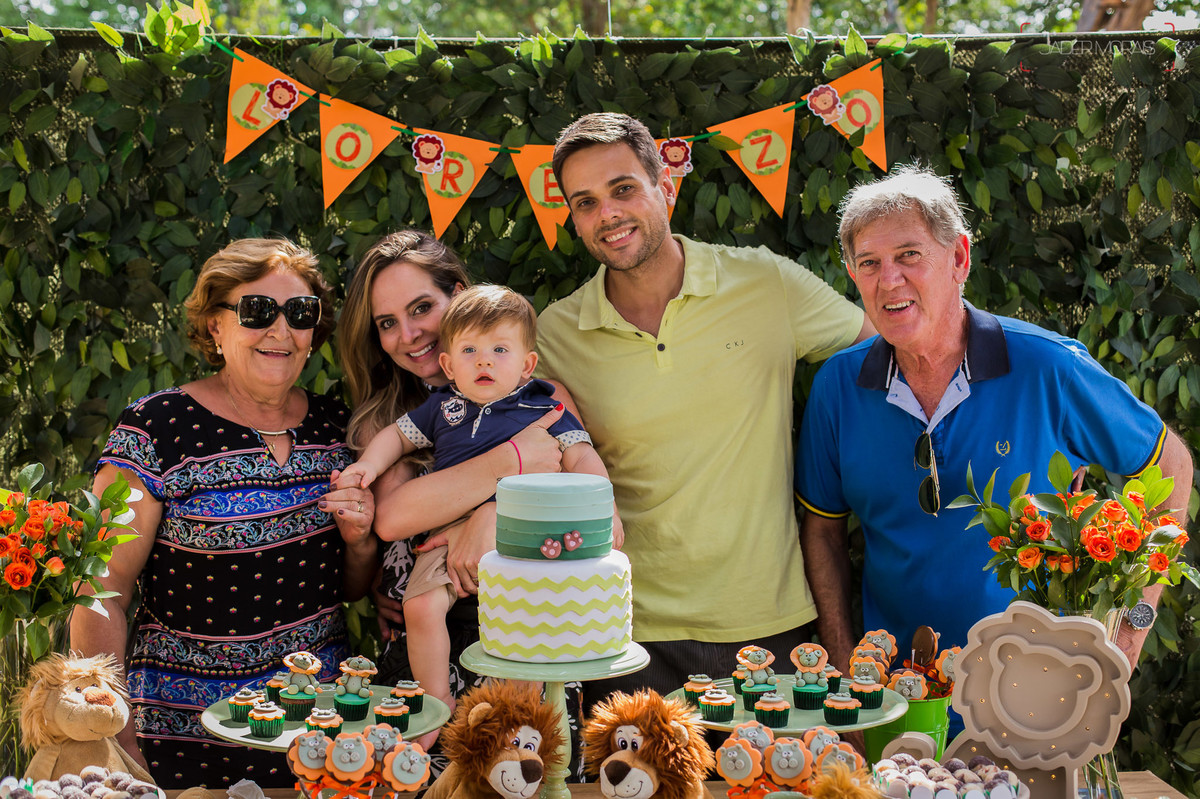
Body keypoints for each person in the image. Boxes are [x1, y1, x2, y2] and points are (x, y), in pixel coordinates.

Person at [796, 165, 1193, 682]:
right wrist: (847, 670)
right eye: (868, 262)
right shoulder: (837, 388)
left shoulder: (1051, 368)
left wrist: (1133, 626)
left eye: (909, 255)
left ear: (959, 258)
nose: (888, 279)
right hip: (896, 700)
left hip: (1039, 699)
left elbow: (1173, 467)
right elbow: (822, 534)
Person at [534, 112, 875, 700]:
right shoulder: (555, 334)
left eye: (623, 189)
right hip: (624, 636)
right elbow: (513, 448)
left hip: (769, 625)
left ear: (665, 187)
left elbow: (884, 352)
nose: (607, 214)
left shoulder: (766, 283)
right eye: (584, 202)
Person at [70, 238, 378, 788]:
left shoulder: (338, 429)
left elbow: (349, 590)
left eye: (300, 314)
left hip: (316, 740)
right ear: (215, 325)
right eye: (257, 311)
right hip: (181, 742)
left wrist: (359, 543)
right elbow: (102, 589)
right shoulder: (156, 429)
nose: (281, 331)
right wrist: (113, 731)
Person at [335, 231, 584, 765]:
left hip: (524, 649)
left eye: (422, 307)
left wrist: (494, 513)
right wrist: (510, 464)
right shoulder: (387, 423)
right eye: (386, 323)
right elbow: (396, 520)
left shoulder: (539, 399)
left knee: (521, 767)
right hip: (422, 666)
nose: (410, 333)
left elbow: (585, 508)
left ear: (462, 296)